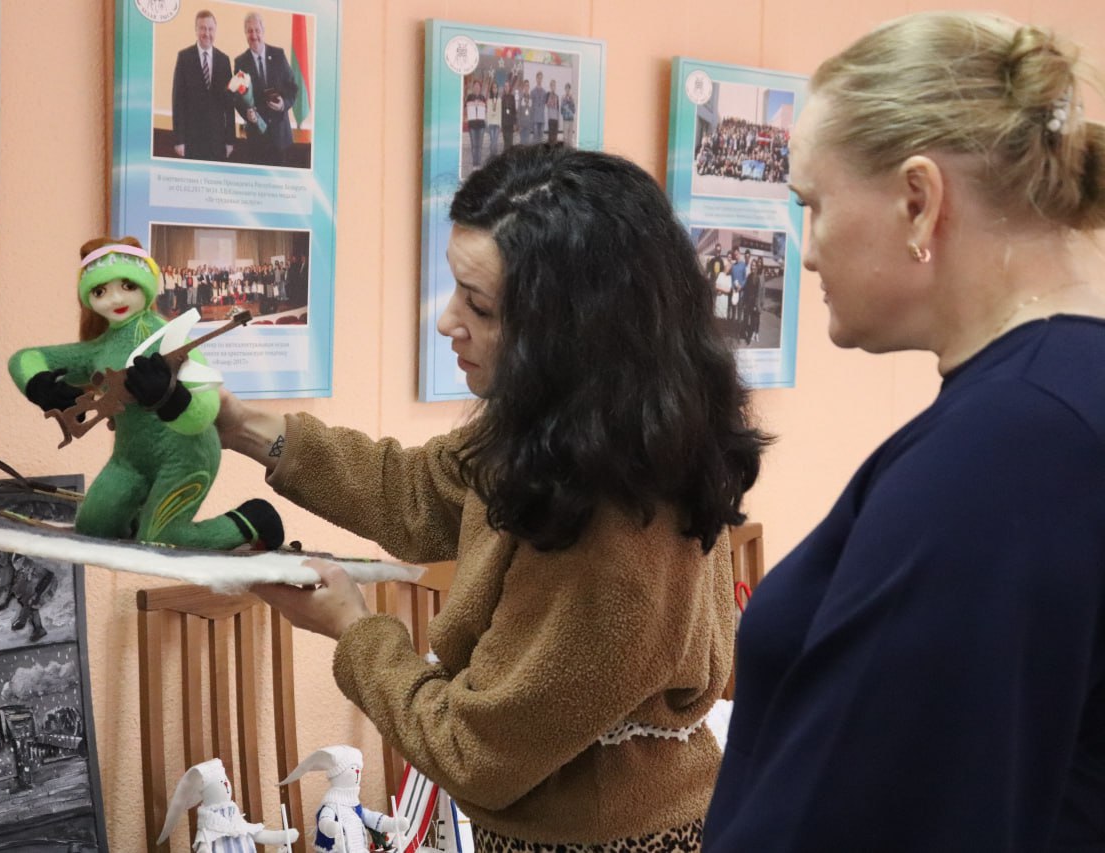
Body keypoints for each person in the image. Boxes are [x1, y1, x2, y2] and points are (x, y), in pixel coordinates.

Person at [217, 144, 768, 851]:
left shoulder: (618, 533)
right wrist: (240, 424)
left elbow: (474, 753)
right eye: (455, 290)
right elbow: (419, 491)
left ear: (573, 329)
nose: (448, 321)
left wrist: (356, 630)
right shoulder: (570, 426)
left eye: (478, 305)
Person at [703, 12, 1105, 851]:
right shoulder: (1056, 405)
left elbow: (873, 810)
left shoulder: (1006, 450)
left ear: (919, 201)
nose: (807, 254)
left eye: (813, 206)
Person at [7, 236, 284, 552]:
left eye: (127, 286)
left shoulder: (168, 337)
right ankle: (143, 515)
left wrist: (172, 399)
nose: (115, 299)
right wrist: (39, 384)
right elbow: (25, 358)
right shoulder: (99, 349)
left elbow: (206, 405)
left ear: (146, 285)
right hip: (130, 459)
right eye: (100, 291)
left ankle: (253, 519)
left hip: (185, 455)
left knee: (161, 540)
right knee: (93, 529)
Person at [232, 11, 298, 167]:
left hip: (280, 138)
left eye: (257, 30)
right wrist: (247, 114)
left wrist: (283, 104)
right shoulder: (240, 62)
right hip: (256, 140)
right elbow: (238, 98)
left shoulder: (278, 55)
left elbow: (292, 88)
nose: (254, 35)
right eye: (249, 31)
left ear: (263, 31)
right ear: (245, 33)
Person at [170, 9, 233, 162]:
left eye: (210, 29)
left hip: (217, 141)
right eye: (202, 28)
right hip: (191, 140)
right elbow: (178, 101)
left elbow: (229, 104)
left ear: (215, 30)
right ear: (196, 30)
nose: (207, 33)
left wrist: (230, 140)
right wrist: (179, 140)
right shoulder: (184, 57)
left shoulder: (224, 60)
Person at [463, 79, 486, 169]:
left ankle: (478, 164)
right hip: (472, 125)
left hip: (481, 125)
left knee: (479, 146)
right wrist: (471, 105)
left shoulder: (483, 97)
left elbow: (486, 109)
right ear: (473, 88)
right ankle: (474, 165)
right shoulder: (469, 97)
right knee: (473, 146)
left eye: (478, 86)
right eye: (475, 86)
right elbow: (465, 108)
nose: (477, 87)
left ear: (480, 88)